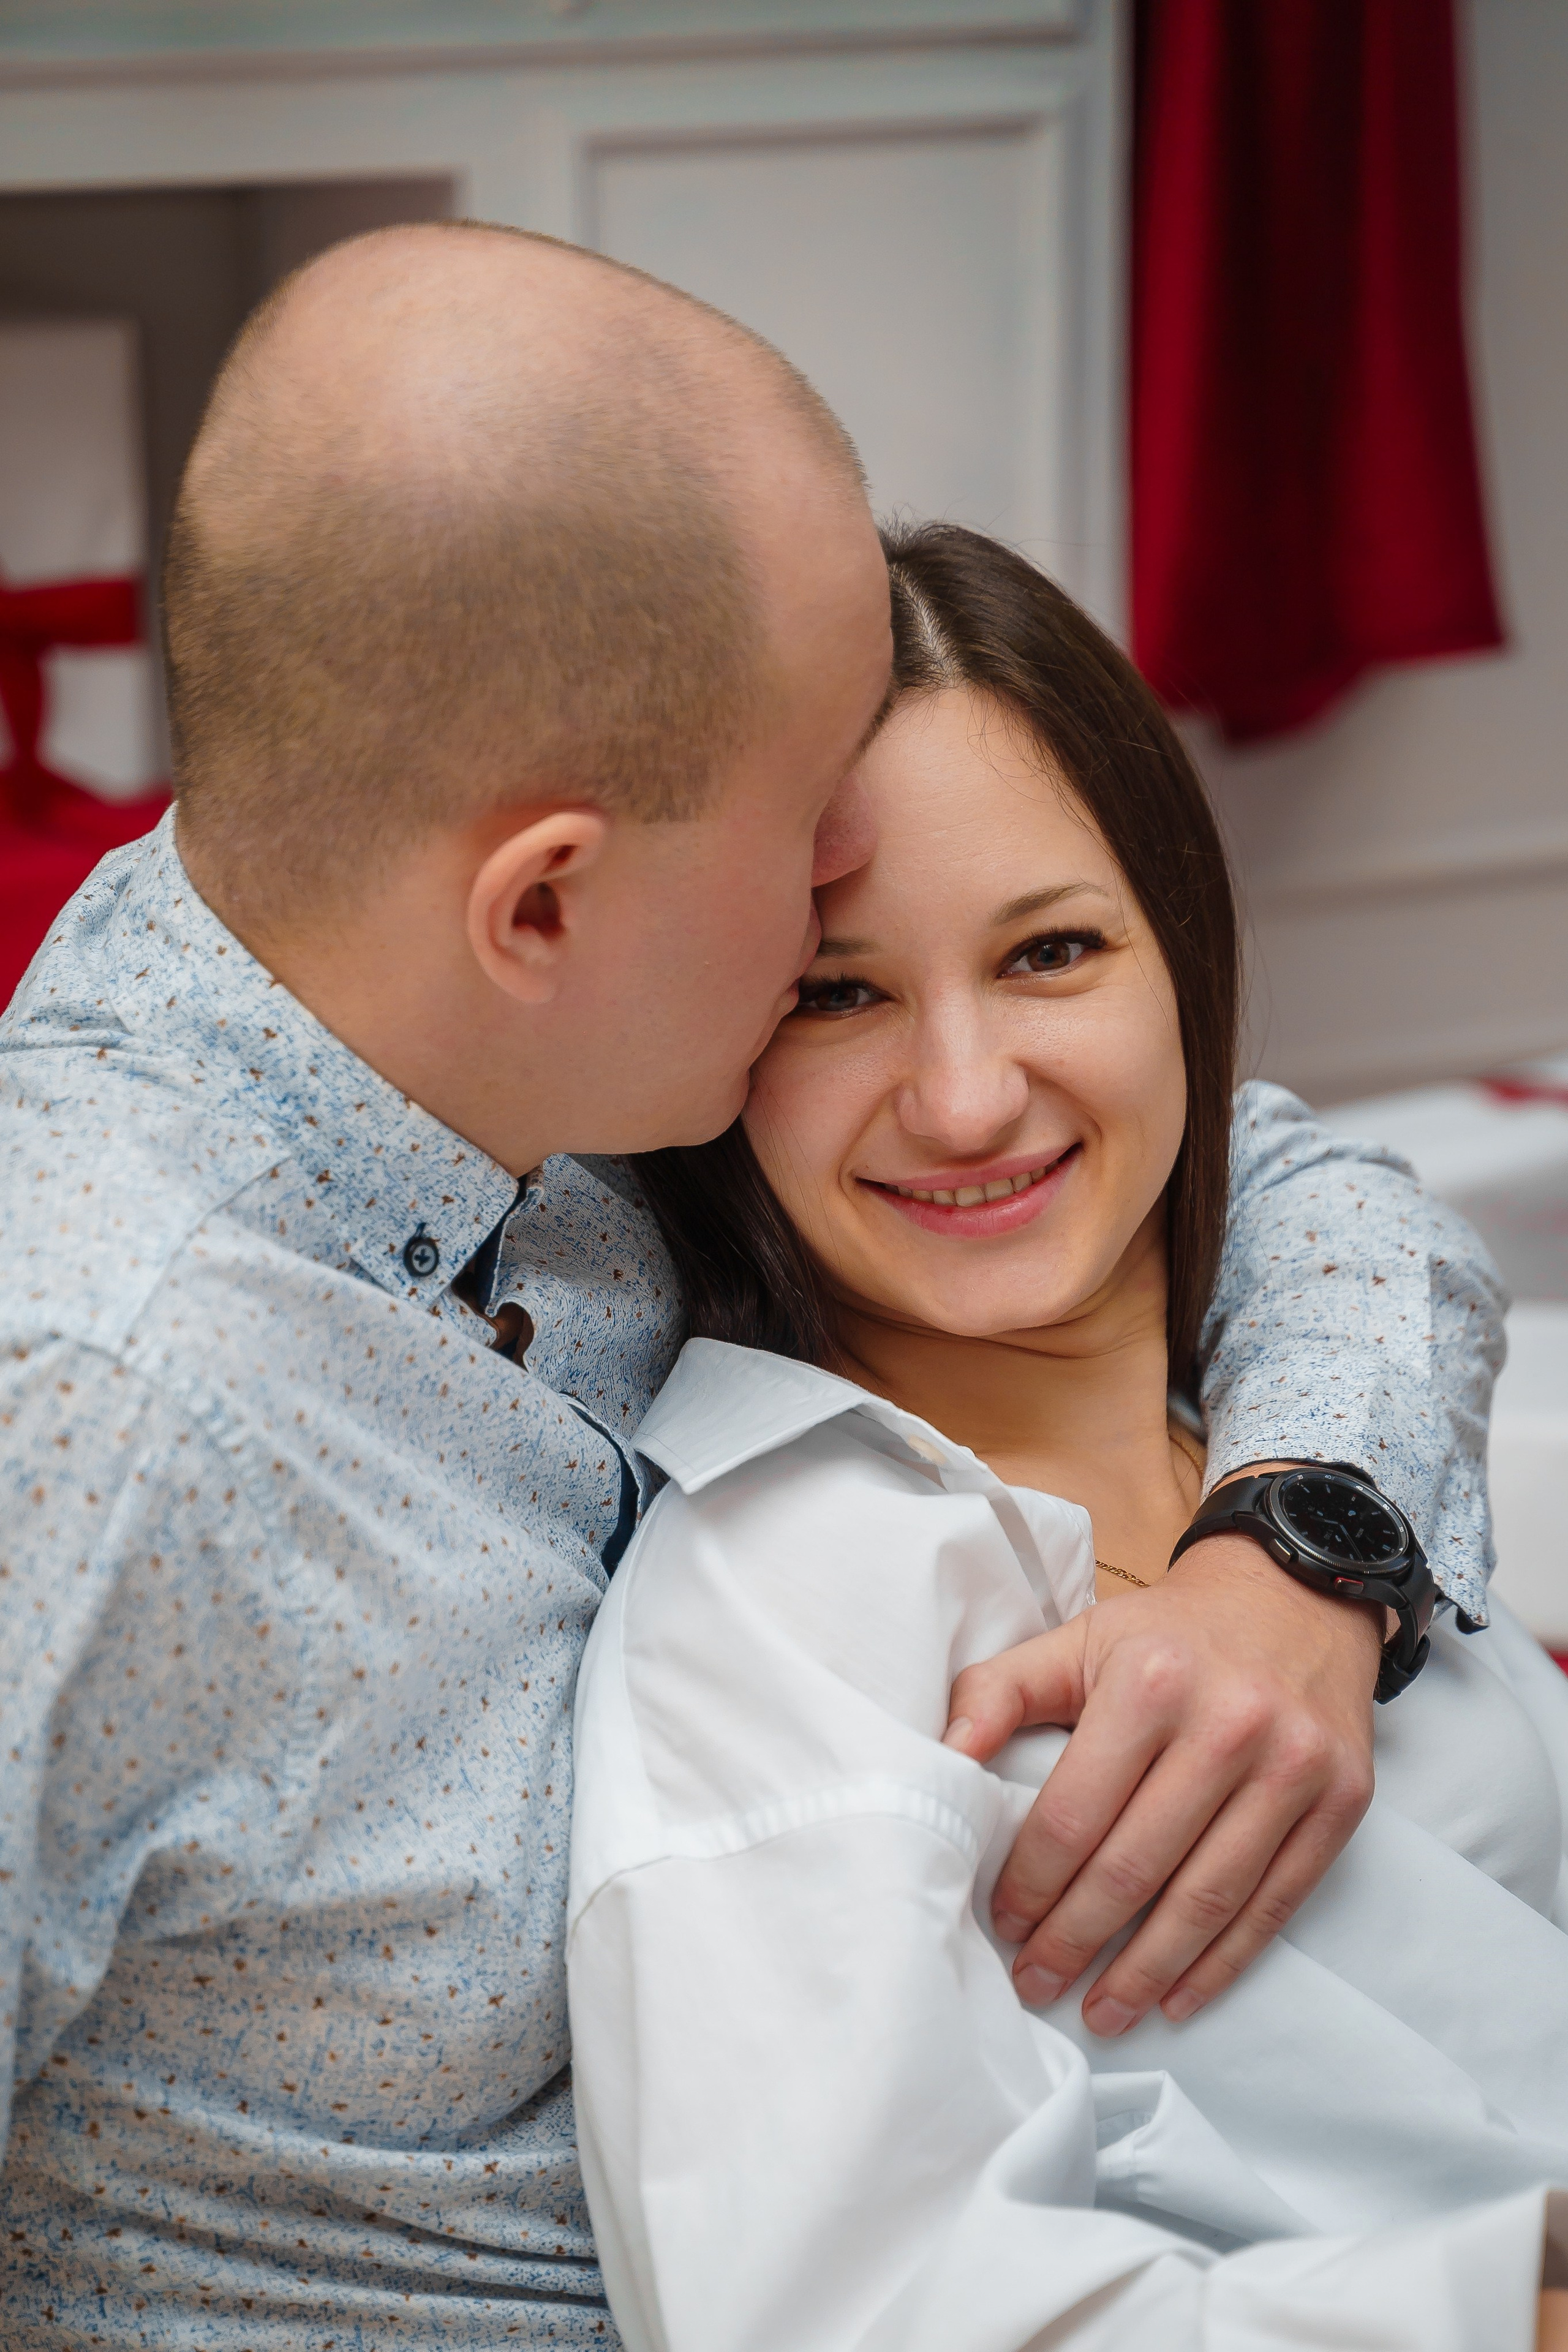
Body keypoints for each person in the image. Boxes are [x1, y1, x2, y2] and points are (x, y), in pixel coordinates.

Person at [0, 224, 1508, 2350]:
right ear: (549, 901)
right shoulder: (85, 1392)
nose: (854, 866)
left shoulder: (503, 1031)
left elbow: (1270, 1170)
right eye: (818, 857)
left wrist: (1306, 1540)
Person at [568, 521, 1568, 2352]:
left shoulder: (1296, 1420)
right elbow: (869, 2315)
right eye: (837, 991)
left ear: (1178, 955)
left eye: (1049, 953)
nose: (964, 1097)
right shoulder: (781, 1605)